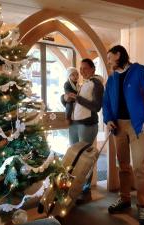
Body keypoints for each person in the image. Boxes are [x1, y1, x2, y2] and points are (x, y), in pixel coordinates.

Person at [102, 45, 144, 225]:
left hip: (138, 126)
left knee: (139, 167)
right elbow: (106, 102)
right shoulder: (111, 80)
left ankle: (142, 206)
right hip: (118, 126)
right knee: (123, 166)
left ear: (119, 55)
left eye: (110, 57)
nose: (108, 60)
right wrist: (108, 119)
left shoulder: (140, 71)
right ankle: (125, 199)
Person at [62, 58, 104, 200]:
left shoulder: (97, 83)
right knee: (73, 156)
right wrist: (66, 99)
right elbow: (75, 105)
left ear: (93, 69)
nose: (82, 71)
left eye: (85, 68)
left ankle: (84, 187)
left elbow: (97, 106)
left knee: (84, 158)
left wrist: (78, 98)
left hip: (87, 124)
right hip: (74, 124)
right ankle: (73, 186)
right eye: (81, 69)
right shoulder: (82, 84)